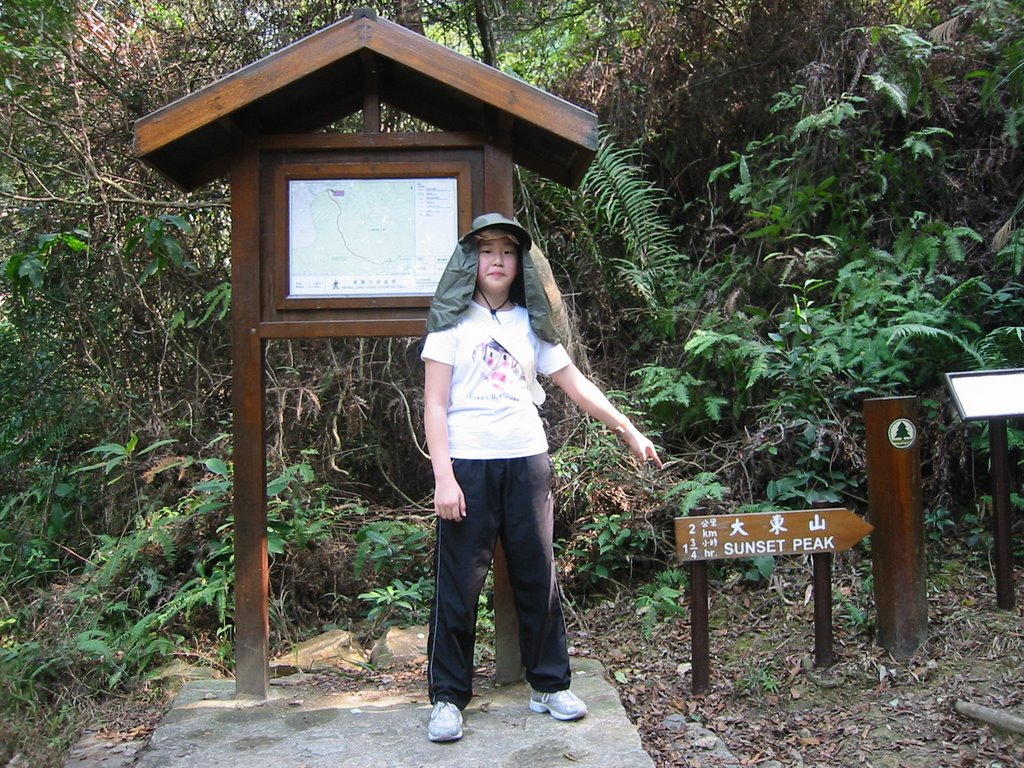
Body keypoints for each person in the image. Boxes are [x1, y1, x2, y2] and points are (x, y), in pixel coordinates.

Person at [420, 212, 663, 743]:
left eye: (507, 252)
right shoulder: (449, 325)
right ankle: (447, 697)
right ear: (471, 261)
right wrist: (444, 477)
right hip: (468, 465)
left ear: (520, 263)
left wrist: (627, 429)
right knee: (459, 585)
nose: (498, 261)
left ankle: (549, 684)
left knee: (537, 574)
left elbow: (574, 383)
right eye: (487, 251)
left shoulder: (532, 323)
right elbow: (435, 406)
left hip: (527, 458)